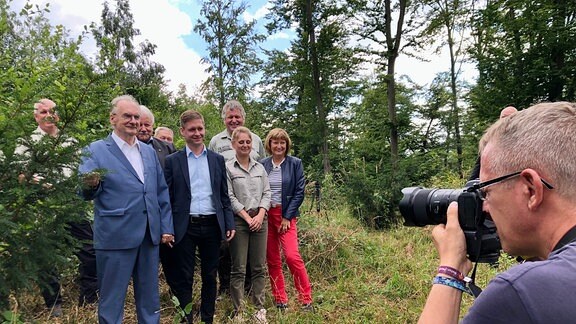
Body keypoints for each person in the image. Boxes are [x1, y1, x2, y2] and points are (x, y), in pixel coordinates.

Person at [419, 101, 576, 324]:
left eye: (486, 193)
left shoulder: (521, 291)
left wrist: (451, 269)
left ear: (531, 190)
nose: (484, 207)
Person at [79, 95, 174, 324]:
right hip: (115, 235)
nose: (133, 121)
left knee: (150, 300)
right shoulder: (96, 150)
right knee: (112, 300)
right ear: (113, 119)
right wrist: (90, 184)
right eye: (127, 116)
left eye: (136, 117)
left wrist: (165, 227)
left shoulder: (148, 151)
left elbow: (160, 191)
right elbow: (83, 192)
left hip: (148, 235)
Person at [14, 99, 98, 316]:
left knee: (90, 251)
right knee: (46, 255)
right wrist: (42, 183)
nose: (48, 115)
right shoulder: (27, 141)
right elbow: (21, 175)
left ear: (59, 115)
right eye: (43, 112)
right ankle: (54, 304)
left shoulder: (70, 142)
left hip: (72, 204)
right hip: (43, 205)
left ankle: (88, 299)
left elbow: (81, 171)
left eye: (52, 111)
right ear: (36, 116)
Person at [164, 110, 236, 323]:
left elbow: (224, 194)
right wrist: (167, 227)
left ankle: (207, 318)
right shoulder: (172, 161)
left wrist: (228, 221)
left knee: (209, 276)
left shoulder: (216, 160)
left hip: (212, 224)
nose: (197, 133)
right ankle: (186, 318)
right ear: (182, 132)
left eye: (200, 129)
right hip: (185, 225)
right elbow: (167, 198)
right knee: (184, 276)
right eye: (192, 129)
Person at [209, 100, 264, 297]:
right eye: (230, 116)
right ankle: (225, 287)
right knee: (226, 245)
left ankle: (249, 287)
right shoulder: (216, 141)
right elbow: (211, 170)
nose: (233, 120)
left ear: (243, 118)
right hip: (226, 201)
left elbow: (262, 166)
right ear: (224, 119)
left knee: (251, 248)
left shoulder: (255, 139)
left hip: (253, 203)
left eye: (237, 116)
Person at [260, 128, 313, 311]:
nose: (279, 145)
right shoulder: (263, 164)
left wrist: (286, 216)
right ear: (269, 144)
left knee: (292, 256)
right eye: (275, 142)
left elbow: (299, 192)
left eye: (282, 142)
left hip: (286, 216)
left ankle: (306, 298)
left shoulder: (295, 163)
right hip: (266, 215)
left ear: (287, 145)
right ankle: (280, 299)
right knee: (272, 259)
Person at [225, 126, 271, 323]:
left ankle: (259, 308)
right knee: (239, 268)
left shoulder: (260, 167)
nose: (245, 145)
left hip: (260, 220)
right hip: (240, 221)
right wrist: (246, 217)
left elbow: (267, 193)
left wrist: (260, 215)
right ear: (233, 144)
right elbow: (229, 196)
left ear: (252, 144)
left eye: (248, 142)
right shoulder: (228, 168)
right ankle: (239, 310)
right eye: (241, 142)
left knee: (259, 266)